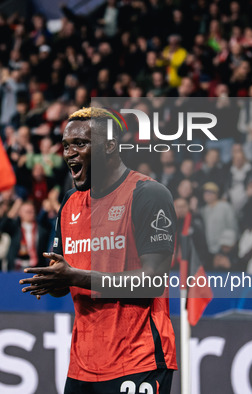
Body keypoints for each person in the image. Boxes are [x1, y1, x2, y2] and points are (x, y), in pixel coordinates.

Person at [20, 107, 177, 393]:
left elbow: (153, 281)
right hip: (83, 365)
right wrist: (54, 281)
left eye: (80, 144)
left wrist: (75, 277)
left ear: (110, 147)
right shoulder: (69, 203)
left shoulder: (147, 194)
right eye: (66, 145)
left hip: (138, 359)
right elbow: (67, 275)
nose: (70, 153)